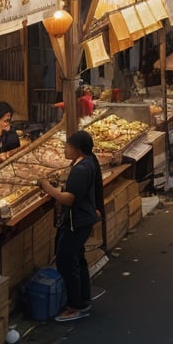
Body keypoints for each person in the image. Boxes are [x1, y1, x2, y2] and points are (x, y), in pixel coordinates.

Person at [39, 130, 104, 323]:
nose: (64, 149)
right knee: (78, 259)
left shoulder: (81, 169)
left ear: (77, 149)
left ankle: (75, 305)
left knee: (67, 262)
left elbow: (68, 199)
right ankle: (84, 300)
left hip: (77, 222)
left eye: (67, 146)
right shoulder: (90, 162)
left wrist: (47, 187)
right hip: (84, 219)